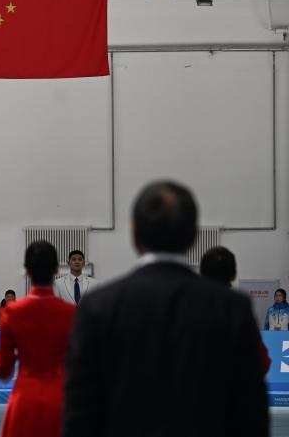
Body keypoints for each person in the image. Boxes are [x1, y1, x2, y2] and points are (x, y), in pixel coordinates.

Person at [62, 181, 269, 437]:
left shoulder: (98, 307)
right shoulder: (231, 308)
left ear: (134, 235)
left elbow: (80, 412)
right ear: (194, 235)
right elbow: (251, 413)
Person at [0, 242, 75, 437]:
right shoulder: (71, 313)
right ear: (56, 270)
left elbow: (4, 370)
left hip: (25, 399)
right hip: (61, 399)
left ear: (26, 272)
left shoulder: (13, 312)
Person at [200, 246, 271, 372]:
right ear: (233, 275)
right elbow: (262, 360)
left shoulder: (187, 303)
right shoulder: (239, 305)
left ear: (201, 273)